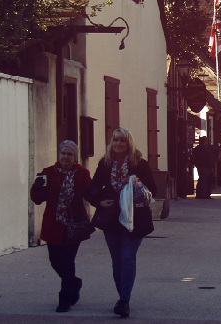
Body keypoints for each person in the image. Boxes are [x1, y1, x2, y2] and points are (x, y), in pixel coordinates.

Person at [87, 128, 157, 318]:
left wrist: (135, 183)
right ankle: (122, 297)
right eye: (115, 140)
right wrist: (100, 201)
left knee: (127, 257)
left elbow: (153, 190)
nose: (118, 144)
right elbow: (92, 189)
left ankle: (124, 299)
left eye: (122, 141)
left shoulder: (139, 164)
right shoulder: (105, 163)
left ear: (129, 144)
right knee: (117, 261)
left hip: (135, 218)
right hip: (111, 218)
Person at [30, 140, 92, 313]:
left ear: (75, 157)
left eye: (69, 154)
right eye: (63, 153)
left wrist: (102, 201)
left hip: (74, 225)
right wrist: (36, 188)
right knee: (55, 261)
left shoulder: (82, 173)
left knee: (67, 261)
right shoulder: (48, 173)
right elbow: (37, 199)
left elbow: (89, 193)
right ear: (59, 155)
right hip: (53, 225)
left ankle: (65, 298)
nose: (66, 157)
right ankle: (74, 282)